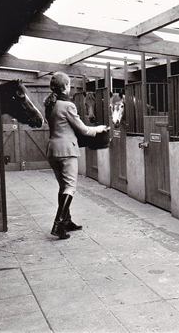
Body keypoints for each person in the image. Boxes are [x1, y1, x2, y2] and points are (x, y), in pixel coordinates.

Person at [43, 72, 108, 239]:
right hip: (67, 150)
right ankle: (58, 225)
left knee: (63, 187)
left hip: (53, 149)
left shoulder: (49, 103)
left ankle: (67, 221)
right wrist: (99, 129)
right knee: (70, 187)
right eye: (69, 84)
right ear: (65, 86)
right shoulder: (67, 105)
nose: (70, 87)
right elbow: (83, 130)